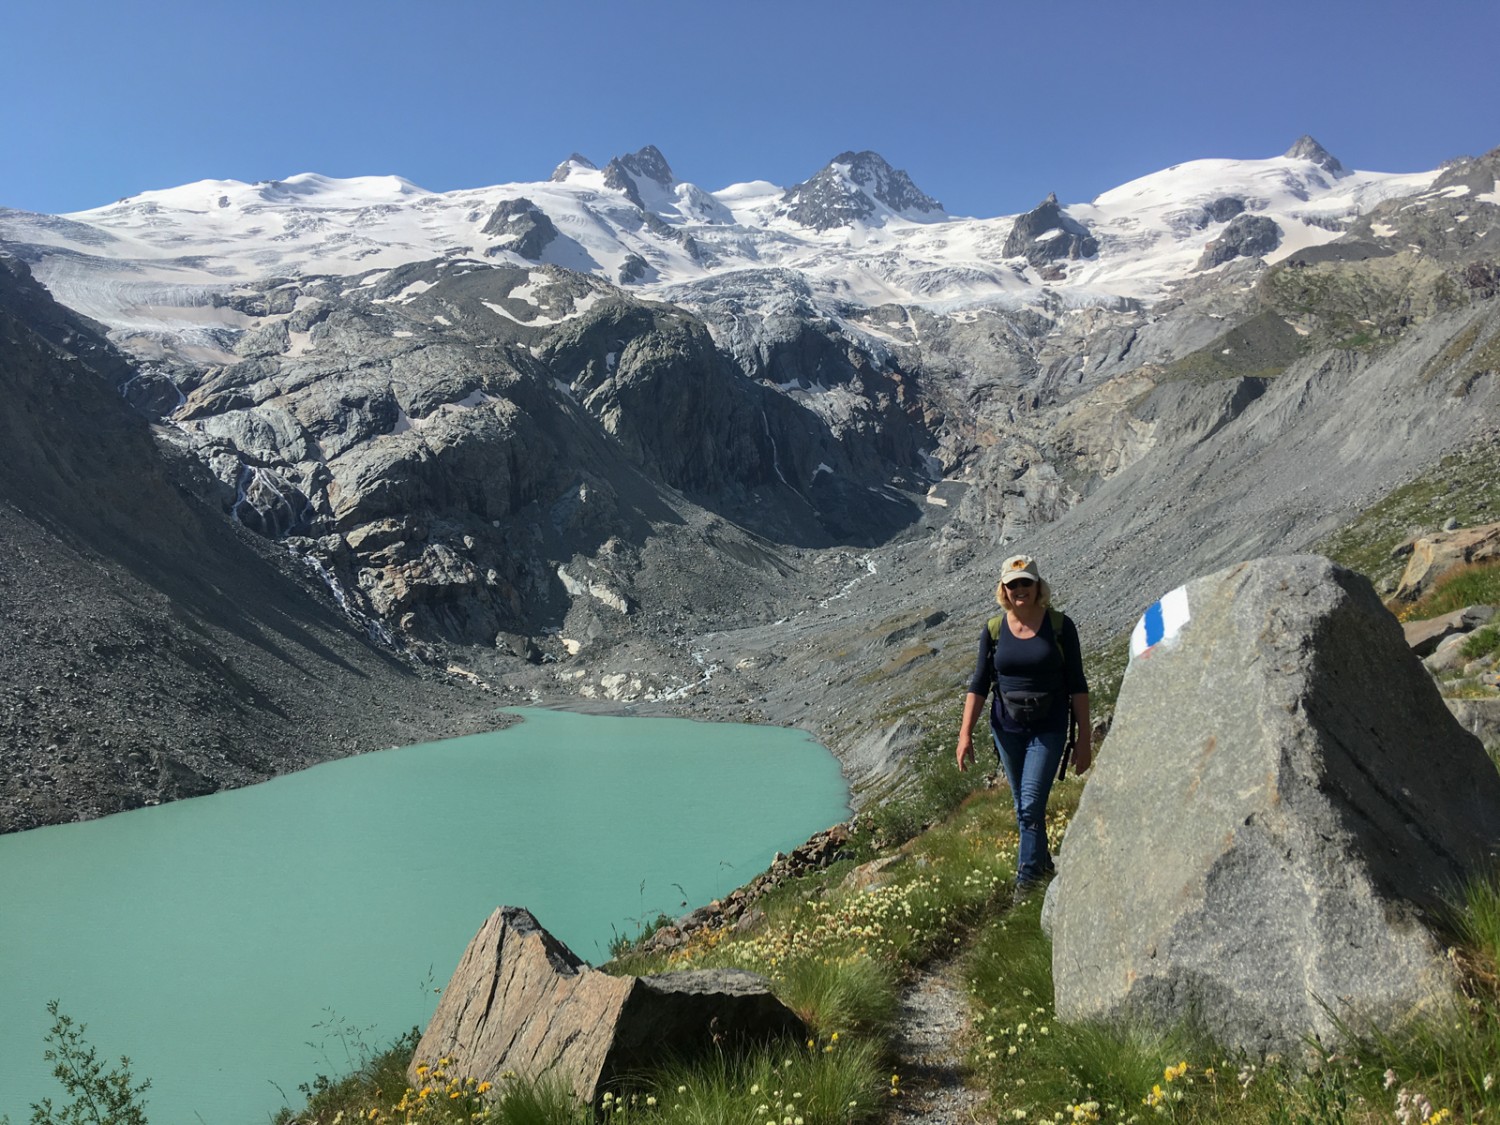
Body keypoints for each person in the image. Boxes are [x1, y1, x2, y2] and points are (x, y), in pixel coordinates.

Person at [956, 553, 1091, 894]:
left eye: (1026, 583)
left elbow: (1077, 684)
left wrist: (1085, 740)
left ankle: (1026, 885)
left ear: (1037, 586)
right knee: (1024, 808)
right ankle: (1043, 865)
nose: (1020, 589)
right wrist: (965, 734)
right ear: (1004, 589)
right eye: (1013, 584)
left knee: (1030, 805)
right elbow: (980, 682)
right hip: (1007, 729)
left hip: (1049, 728)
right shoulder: (995, 629)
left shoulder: (1060, 626)